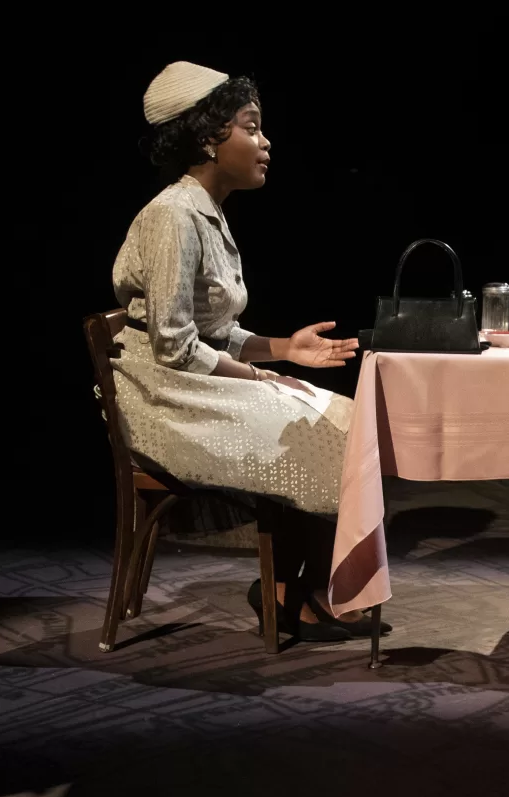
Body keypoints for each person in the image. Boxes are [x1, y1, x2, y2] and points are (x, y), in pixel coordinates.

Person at [111, 61, 380, 641]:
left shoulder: (208, 215)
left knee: (345, 418)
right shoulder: (172, 217)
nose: (265, 142)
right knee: (312, 430)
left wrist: (283, 349)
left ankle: (294, 584)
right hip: (164, 399)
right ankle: (286, 589)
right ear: (209, 138)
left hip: (190, 384)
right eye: (251, 127)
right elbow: (175, 344)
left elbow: (216, 330)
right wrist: (260, 377)